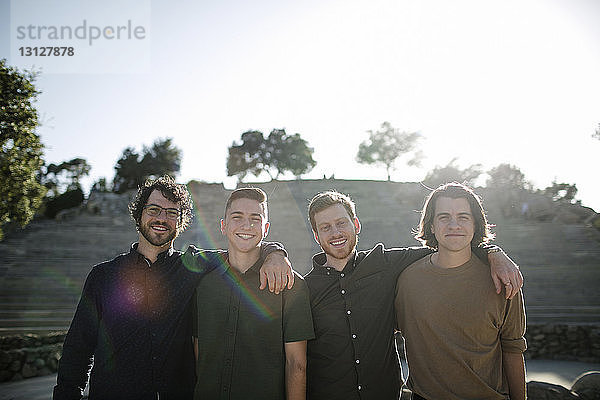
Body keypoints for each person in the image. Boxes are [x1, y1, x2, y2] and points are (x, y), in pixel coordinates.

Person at [53, 176, 294, 400]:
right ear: (139, 214)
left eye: (171, 212)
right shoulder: (103, 276)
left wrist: (275, 252)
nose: (161, 218)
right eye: (154, 210)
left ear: (180, 221)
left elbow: (243, 250)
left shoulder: (193, 266)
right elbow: (78, 350)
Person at [304, 190, 523, 400]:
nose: (336, 233)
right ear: (316, 235)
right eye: (326, 227)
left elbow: (450, 245)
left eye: (341, 223)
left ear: (356, 224)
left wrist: (493, 252)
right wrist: (276, 252)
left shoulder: (387, 265)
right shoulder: (305, 289)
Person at [395, 182, 526, 400]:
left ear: (475, 225)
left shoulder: (504, 279)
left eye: (464, 217)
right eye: (444, 217)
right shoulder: (407, 280)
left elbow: (513, 349)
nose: (454, 224)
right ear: (432, 226)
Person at [193, 188, 315, 400]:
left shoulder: (291, 285)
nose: (246, 225)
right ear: (223, 225)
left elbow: (296, 365)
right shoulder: (202, 283)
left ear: (266, 228)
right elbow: (197, 351)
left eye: (255, 219)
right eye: (237, 217)